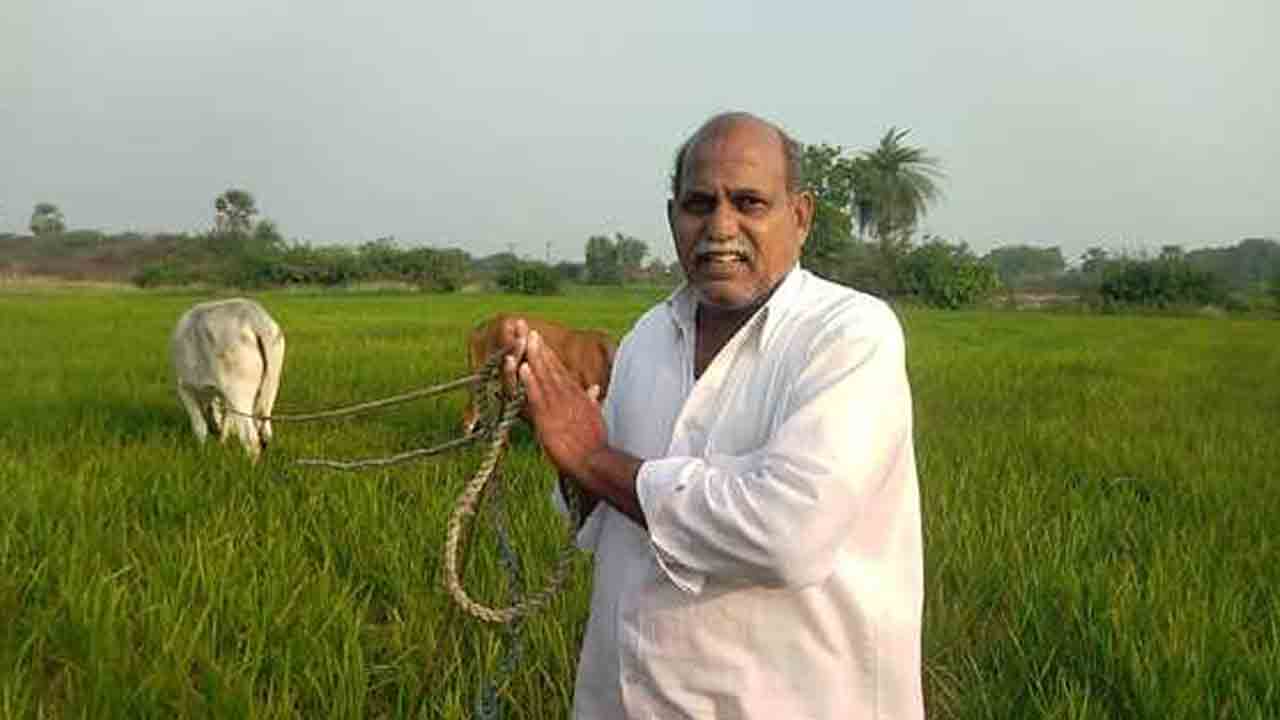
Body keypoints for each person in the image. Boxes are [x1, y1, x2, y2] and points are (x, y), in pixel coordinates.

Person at [503, 111, 924, 718]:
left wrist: (593, 459)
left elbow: (787, 534)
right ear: (673, 216)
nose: (720, 226)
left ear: (800, 216)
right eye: (699, 204)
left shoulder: (849, 334)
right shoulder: (649, 335)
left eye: (749, 202)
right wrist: (552, 417)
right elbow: (598, 516)